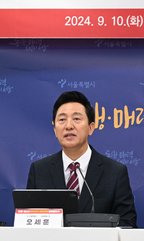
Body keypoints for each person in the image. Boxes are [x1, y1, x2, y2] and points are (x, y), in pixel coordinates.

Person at [26, 91, 137, 228]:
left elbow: (127, 224)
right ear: (55, 129)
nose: (69, 126)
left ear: (91, 128)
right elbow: (28, 221)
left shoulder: (115, 172)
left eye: (76, 119)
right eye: (62, 120)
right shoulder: (39, 171)